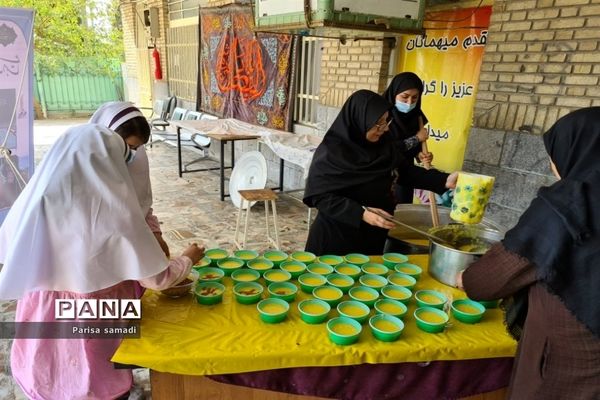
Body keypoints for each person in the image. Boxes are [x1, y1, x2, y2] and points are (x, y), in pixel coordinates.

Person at [0, 117, 205, 399]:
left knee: (52, 370)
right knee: (96, 375)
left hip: (43, 312)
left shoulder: (37, 200)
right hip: (97, 315)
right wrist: (188, 259)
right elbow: (158, 279)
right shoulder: (114, 211)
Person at [457, 107, 600, 399]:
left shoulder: (565, 206)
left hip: (572, 358)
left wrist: (466, 279)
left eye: (553, 154)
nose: (552, 165)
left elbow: (490, 279)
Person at [303, 89, 457, 256]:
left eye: (386, 122)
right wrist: (361, 213)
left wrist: (445, 180)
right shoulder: (331, 153)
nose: (383, 129)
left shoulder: (383, 145)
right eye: (378, 123)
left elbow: (403, 171)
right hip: (336, 238)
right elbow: (320, 197)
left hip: (373, 236)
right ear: (359, 120)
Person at [90, 101, 170, 259]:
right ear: (109, 137)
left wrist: (155, 234)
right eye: (128, 146)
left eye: (136, 148)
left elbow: (142, 205)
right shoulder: (90, 170)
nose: (131, 154)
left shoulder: (136, 160)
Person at [382, 72, 433, 204]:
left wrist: (420, 155)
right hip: (383, 173)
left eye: (415, 98)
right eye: (405, 97)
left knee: (402, 213)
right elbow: (386, 149)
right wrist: (416, 138)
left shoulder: (416, 117)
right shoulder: (382, 116)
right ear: (394, 93)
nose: (409, 102)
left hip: (406, 174)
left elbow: (412, 150)